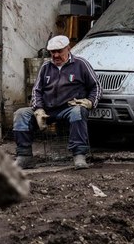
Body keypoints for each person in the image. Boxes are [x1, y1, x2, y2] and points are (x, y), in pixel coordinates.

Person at [13, 35, 101, 170]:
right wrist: (38, 110)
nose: (55, 55)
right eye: (52, 52)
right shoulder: (46, 67)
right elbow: (36, 90)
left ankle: (79, 156)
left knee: (78, 111)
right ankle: (24, 157)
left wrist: (90, 102)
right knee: (21, 114)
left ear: (68, 49)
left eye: (59, 51)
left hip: (69, 108)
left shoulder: (80, 64)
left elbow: (96, 86)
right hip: (47, 109)